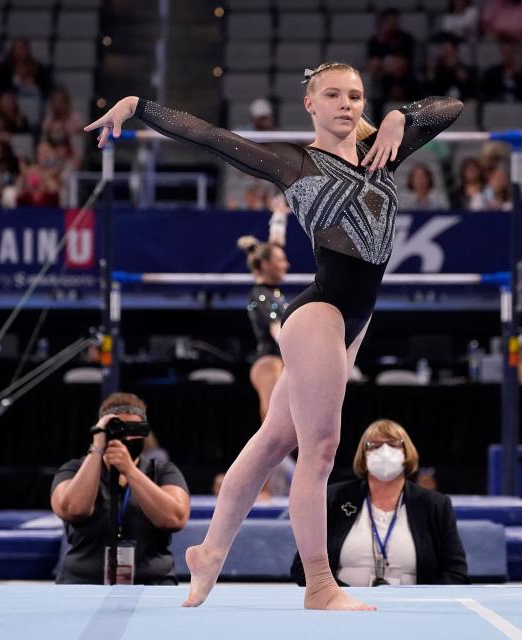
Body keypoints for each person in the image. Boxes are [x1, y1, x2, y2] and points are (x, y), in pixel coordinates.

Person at [85, 61, 462, 609]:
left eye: (354, 95)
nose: (345, 104)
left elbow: (451, 107)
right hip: (321, 313)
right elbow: (210, 136)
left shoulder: (383, 150)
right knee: (321, 449)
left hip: (356, 320)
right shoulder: (295, 162)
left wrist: (402, 119)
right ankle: (319, 584)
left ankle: (210, 552)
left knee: (270, 444)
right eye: (331, 95)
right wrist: (138, 106)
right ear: (310, 104)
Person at [290, 419, 469, 587]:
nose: (384, 451)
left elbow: (455, 573)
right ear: (363, 455)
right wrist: (344, 595)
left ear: (407, 452)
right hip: (342, 608)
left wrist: (422, 602)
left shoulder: (435, 505)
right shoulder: (334, 498)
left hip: (412, 610)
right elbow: (302, 567)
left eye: (393, 444)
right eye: (374, 446)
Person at [50, 393, 190, 585]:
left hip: (151, 583)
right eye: (118, 429)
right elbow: (73, 510)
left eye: (134, 429)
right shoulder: (73, 469)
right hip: (82, 584)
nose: (127, 437)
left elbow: (174, 519)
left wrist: (130, 471)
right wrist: (97, 448)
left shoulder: (162, 471)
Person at [238, 202, 291, 422]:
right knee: (273, 414)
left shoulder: (271, 292)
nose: (286, 264)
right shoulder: (260, 295)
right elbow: (276, 330)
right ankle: (276, 457)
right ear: (266, 265)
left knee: (286, 414)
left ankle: (284, 456)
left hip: (278, 359)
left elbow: (275, 244)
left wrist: (279, 215)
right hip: (268, 360)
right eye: (280, 261)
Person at [480, 37, 522, 130]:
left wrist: (519, 76)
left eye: (510, 51)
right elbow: (486, 89)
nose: (507, 54)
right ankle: (482, 127)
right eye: (504, 51)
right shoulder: (492, 72)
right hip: (498, 100)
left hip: (520, 99)